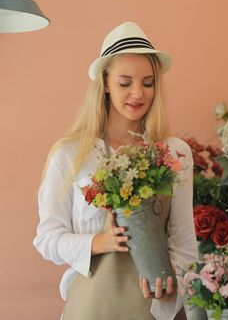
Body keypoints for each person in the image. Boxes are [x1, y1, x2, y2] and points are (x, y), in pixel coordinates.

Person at [33, 22, 197, 320]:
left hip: (156, 307)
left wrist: (174, 281)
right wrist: (101, 242)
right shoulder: (70, 153)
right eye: (125, 83)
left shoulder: (175, 152)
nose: (138, 94)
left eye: (148, 83)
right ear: (105, 83)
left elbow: (184, 239)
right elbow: (47, 238)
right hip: (93, 305)